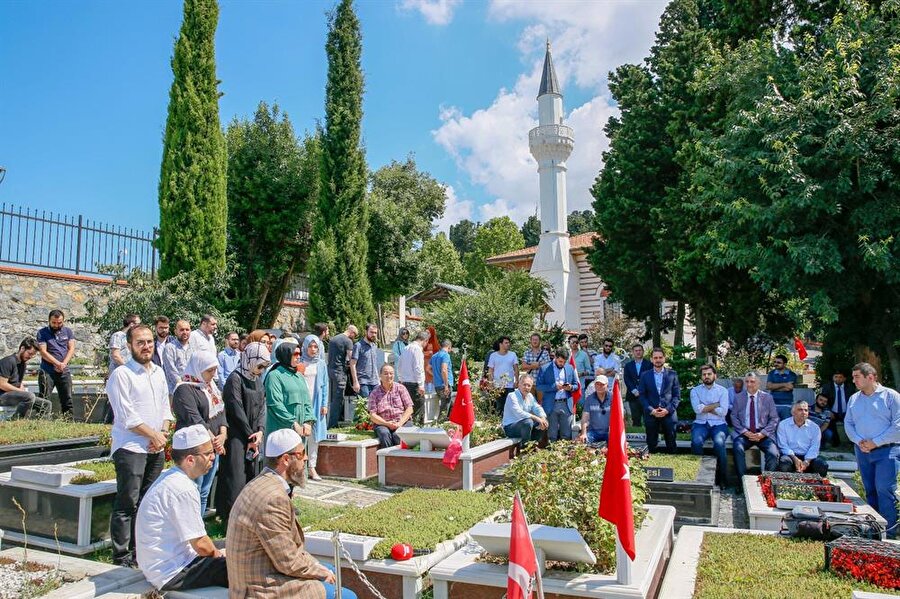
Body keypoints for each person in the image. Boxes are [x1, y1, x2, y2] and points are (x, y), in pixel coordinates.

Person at [226, 429, 358, 598]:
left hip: (263, 570)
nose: (305, 458)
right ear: (286, 459)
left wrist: (318, 568)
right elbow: (287, 561)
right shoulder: (272, 499)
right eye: (301, 453)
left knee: (331, 570)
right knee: (348, 596)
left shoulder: (261, 483)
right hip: (260, 587)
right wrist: (319, 572)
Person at [106, 324, 172, 567]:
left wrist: (162, 433)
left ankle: (140, 551)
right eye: (140, 342)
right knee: (127, 502)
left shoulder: (158, 372)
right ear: (130, 346)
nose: (146, 347)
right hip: (131, 448)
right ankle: (121, 556)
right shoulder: (122, 375)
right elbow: (127, 417)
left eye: (149, 342)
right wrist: (153, 436)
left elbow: (166, 408)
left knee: (147, 502)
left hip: (155, 447)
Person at [136, 424, 228, 592]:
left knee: (231, 549)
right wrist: (220, 557)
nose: (213, 458)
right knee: (245, 567)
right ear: (190, 460)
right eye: (208, 454)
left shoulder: (172, 477)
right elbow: (201, 545)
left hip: (167, 565)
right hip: (172, 572)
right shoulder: (182, 488)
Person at [845, 362, 900, 538]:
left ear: (870, 377)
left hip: (887, 450)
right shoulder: (854, 399)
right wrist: (859, 441)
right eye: (853, 377)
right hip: (862, 451)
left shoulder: (890, 396)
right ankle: (873, 531)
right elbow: (848, 423)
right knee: (870, 490)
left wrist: (875, 442)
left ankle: (889, 533)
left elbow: (898, 425)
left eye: (857, 377)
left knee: (884, 488)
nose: (854, 381)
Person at [216, 341, 270, 523]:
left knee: (252, 475)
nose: (261, 369)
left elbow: (262, 407)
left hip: (253, 436)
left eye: (264, 366)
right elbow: (235, 409)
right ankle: (230, 518)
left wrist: (260, 431)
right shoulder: (235, 379)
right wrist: (250, 434)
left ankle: (249, 516)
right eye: (260, 364)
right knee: (235, 476)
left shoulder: (258, 380)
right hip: (237, 436)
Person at [172, 351, 227, 516]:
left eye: (214, 370)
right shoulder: (184, 389)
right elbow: (194, 418)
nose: (213, 375)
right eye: (209, 370)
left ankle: (198, 527)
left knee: (204, 491)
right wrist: (214, 441)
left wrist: (223, 434)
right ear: (198, 368)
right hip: (195, 449)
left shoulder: (210, 388)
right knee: (192, 490)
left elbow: (221, 412)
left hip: (212, 447)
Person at [731, 373, 780, 481]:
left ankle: (767, 483)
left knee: (773, 453)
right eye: (747, 381)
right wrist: (744, 432)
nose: (749, 384)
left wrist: (762, 433)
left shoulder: (767, 398)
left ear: (758, 383)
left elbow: (774, 419)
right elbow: (733, 417)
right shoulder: (739, 398)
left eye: (752, 381)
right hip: (745, 433)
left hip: (763, 433)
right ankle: (742, 482)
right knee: (737, 448)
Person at [690, 364, 730, 485]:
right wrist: (716, 405)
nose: (706, 376)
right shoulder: (695, 390)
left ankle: (721, 479)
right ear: (701, 376)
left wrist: (705, 407)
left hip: (719, 424)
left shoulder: (723, 391)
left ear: (715, 375)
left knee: (719, 443)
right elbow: (697, 410)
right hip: (700, 423)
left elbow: (724, 412)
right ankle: (699, 476)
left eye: (709, 374)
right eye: (704, 374)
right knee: (696, 442)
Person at [266, 342, 314, 439]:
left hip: (300, 431)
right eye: (295, 354)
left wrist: (308, 421)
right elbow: (275, 404)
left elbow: (307, 401)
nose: (298, 357)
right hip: (282, 430)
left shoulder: (299, 376)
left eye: (299, 354)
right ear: (286, 355)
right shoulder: (275, 375)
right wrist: (292, 422)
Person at [638, 347, 681, 453]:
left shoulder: (672, 374)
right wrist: (651, 410)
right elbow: (642, 396)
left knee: (671, 442)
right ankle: (652, 461)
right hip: (651, 412)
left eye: (660, 357)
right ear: (651, 359)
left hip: (668, 412)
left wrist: (667, 410)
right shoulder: (644, 375)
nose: (658, 360)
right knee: (651, 443)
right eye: (655, 357)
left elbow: (677, 396)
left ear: (664, 358)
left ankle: (672, 461)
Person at [299, 335, 329, 482]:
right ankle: (300, 467)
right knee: (300, 435)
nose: (312, 349)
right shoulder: (299, 361)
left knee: (314, 437)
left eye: (315, 346)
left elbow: (325, 385)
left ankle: (312, 467)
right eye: (310, 346)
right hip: (301, 404)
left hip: (316, 404)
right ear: (305, 346)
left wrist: (324, 404)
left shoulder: (321, 364)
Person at [36, 309, 76, 415]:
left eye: (59, 323)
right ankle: (42, 421)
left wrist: (63, 364)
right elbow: (43, 352)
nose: (57, 325)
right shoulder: (42, 333)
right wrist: (57, 363)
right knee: (44, 397)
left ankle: (68, 420)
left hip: (64, 370)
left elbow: (71, 349)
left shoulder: (68, 331)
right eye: (54, 322)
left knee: (67, 399)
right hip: (48, 370)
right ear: (49, 321)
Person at [535, 349, 580, 442]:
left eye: (564, 362)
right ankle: (551, 454)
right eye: (560, 361)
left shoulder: (570, 368)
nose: (562, 364)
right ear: (555, 357)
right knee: (552, 436)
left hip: (566, 404)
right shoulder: (544, 368)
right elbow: (539, 386)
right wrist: (554, 387)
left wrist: (571, 387)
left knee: (567, 435)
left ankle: (564, 455)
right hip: (551, 405)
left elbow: (576, 385)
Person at [0, 338, 51, 418]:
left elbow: (16, 382)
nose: (30, 356)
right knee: (29, 396)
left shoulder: (23, 364)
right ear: (22, 348)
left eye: (32, 355)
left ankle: (42, 426)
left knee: (46, 404)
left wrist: (20, 386)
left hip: (13, 395)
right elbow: (2, 384)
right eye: (29, 353)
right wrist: (20, 391)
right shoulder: (8, 361)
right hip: (2, 395)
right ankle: (16, 421)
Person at [776, 400, 828, 476]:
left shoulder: (814, 427)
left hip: (808, 458)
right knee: (784, 463)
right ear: (793, 412)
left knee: (822, 465)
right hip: (790, 456)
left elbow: (814, 447)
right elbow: (783, 445)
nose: (803, 412)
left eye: (806, 410)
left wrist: (807, 461)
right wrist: (795, 459)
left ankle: (816, 486)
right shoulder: (783, 425)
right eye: (800, 410)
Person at [367, 364, 413, 449]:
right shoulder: (375, 392)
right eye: (386, 373)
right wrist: (387, 424)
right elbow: (372, 415)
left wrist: (399, 423)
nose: (389, 376)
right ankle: (387, 458)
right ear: (380, 376)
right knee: (384, 434)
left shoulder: (401, 388)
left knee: (397, 435)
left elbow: (409, 409)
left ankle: (400, 459)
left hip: (402, 422)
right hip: (383, 423)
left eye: (391, 373)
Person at [502, 374, 547, 449]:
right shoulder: (512, 395)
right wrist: (536, 418)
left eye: (529, 385)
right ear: (519, 384)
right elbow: (518, 412)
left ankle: (533, 446)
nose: (526, 387)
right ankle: (525, 448)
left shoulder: (530, 396)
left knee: (543, 423)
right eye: (524, 385)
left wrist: (543, 418)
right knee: (528, 422)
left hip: (524, 427)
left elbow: (537, 407)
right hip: (510, 428)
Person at [326, 325, 357, 429]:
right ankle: (333, 424)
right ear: (352, 332)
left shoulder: (333, 339)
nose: (354, 338)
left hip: (330, 370)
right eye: (355, 335)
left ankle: (336, 420)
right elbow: (351, 358)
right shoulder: (347, 341)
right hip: (340, 372)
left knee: (332, 398)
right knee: (338, 398)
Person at [397, 330, 428, 423]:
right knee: (418, 409)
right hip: (415, 384)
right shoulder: (417, 349)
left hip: (405, 383)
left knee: (407, 409)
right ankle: (418, 431)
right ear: (425, 340)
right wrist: (421, 385)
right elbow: (418, 368)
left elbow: (399, 365)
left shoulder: (406, 348)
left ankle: (408, 430)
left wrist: (400, 379)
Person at [819, 371, 851, 447]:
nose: (838, 379)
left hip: (846, 412)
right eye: (836, 377)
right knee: (829, 422)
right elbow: (823, 401)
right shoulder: (827, 387)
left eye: (840, 377)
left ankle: (853, 442)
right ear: (833, 378)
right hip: (832, 412)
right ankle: (836, 443)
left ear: (844, 379)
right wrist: (828, 411)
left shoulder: (850, 387)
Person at [487, 336, 519, 413]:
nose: (508, 344)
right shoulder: (493, 355)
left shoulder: (513, 354)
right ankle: (498, 423)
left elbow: (516, 369)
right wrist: (490, 383)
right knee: (499, 407)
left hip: (510, 385)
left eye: (509, 343)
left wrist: (517, 381)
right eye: (506, 343)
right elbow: (490, 370)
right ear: (500, 344)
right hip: (497, 386)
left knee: (511, 407)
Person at [577, 375, 612, 444]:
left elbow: (620, 417)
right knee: (582, 441)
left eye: (602, 384)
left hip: (609, 432)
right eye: (597, 384)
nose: (599, 386)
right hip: (593, 432)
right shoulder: (589, 399)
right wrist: (583, 433)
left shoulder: (613, 398)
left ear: (607, 385)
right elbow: (584, 419)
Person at [623, 344, 652, 428]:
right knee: (635, 417)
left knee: (648, 417)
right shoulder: (628, 365)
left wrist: (642, 391)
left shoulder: (649, 364)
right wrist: (634, 390)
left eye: (640, 350)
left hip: (646, 395)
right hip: (633, 395)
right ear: (633, 352)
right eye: (636, 351)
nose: (638, 352)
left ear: (643, 351)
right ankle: (637, 432)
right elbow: (627, 379)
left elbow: (650, 378)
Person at [349, 323, 379, 399]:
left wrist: (378, 380)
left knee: (375, 408)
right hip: (363, 382)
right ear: (366, 332)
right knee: (365, 408)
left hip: (375, 382)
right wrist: (355, 382)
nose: (374, 334)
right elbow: (352, 364)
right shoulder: (358, 345)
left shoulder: (374, 346)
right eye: (371, 332)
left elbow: (375, 365)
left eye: (375, 333)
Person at [163, 320, 192, 396]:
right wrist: (183, 387)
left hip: (193, 390)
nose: (185, 332)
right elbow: (171, 372)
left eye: (187, 329)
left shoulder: (194, 347)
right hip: (176, 392)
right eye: (182, 330)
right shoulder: (169, 348)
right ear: (175, 332)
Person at [430, 339, 454, 418]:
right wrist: (446, 385)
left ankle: (445, 424)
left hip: (437, 385)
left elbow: (428, 368)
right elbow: (444, 369)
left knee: (447, 405)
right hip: (444, 385)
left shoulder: (434, 356)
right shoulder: (446, 355)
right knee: (444, 408)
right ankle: (440, 427)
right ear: (449, 347)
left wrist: (436, 375)